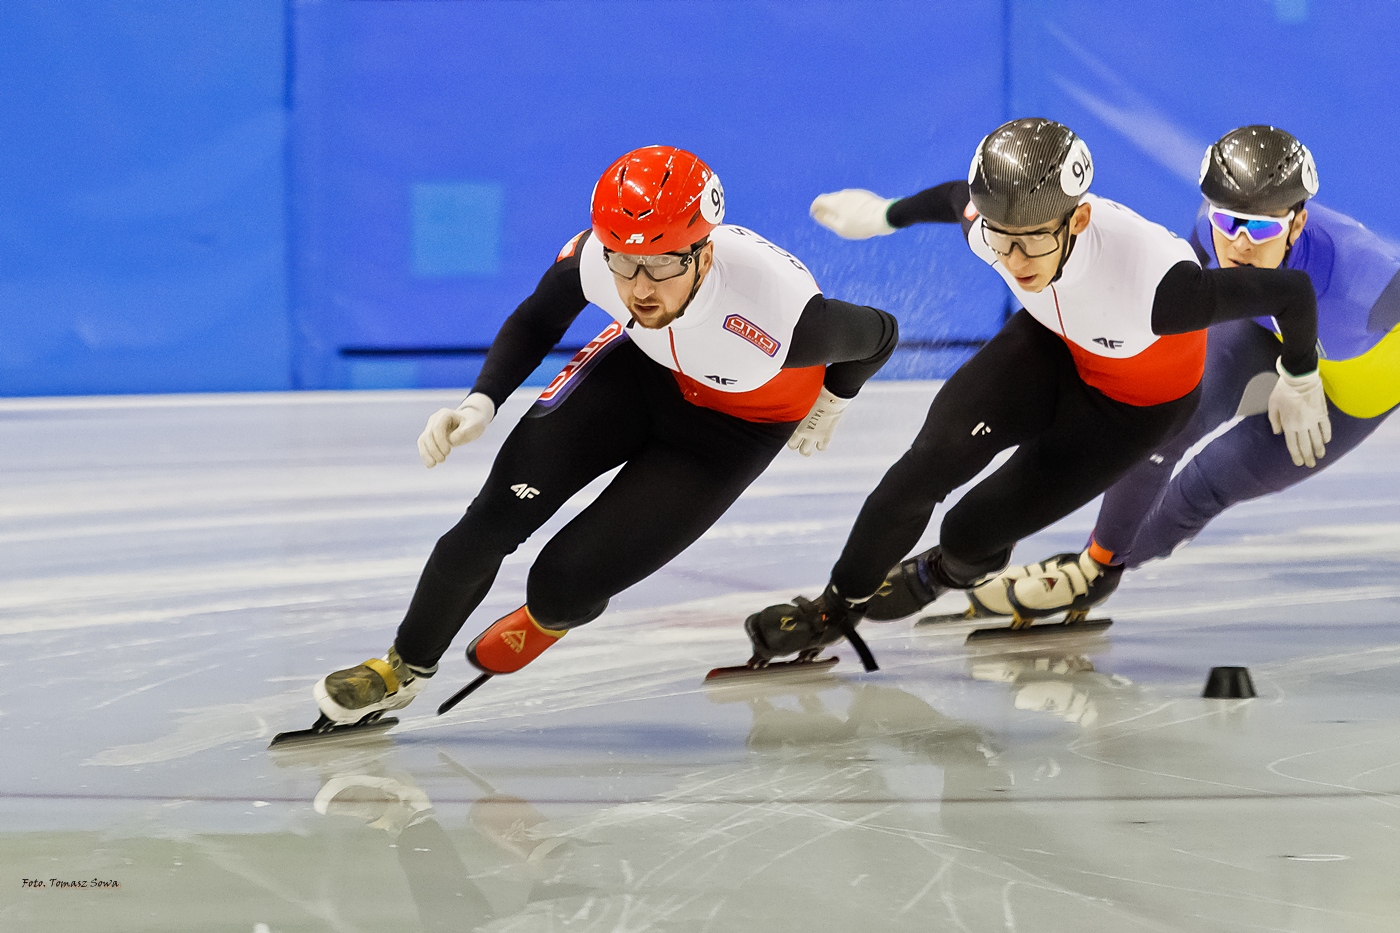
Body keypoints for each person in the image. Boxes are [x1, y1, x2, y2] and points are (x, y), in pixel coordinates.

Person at [308, 146, 899, 727]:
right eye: (624, 262)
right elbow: (539, 316)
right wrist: (481, 400)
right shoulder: (597, 258)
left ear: (704, 251)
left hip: (730, 432)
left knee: (561, 584)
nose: (640, 288)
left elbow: (880, 334)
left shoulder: (776, 320)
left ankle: (552, 615)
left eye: (664, 262)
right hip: (638, 374)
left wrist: (833, 398)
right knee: (489, 521)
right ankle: (401, 670)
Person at [741, 118, 1325, 663]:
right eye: (1002, 239)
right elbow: (954, 200)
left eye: (1032, 242)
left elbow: (1291, 292)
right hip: (1051, 347)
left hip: (1132, 410)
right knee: (928, 462)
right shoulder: (994, 231)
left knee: (969, 532)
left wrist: (1300, 377)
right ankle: (833, 608)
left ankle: (944, 572)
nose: (1016, 260)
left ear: (1078, 221)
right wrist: (883, 214)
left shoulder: (1165, 289)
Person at [955, 125, 1400, 622]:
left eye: (1262, 230)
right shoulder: (1213, 230)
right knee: (1171, 420)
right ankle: (1097, 563)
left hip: (1358, 380)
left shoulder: (1370, 282)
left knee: (1212, 480)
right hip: (1261, 329)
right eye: (1228, 222)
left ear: (1296, 226)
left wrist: (1307, 378)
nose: (1240, 244)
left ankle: (1095, 570)